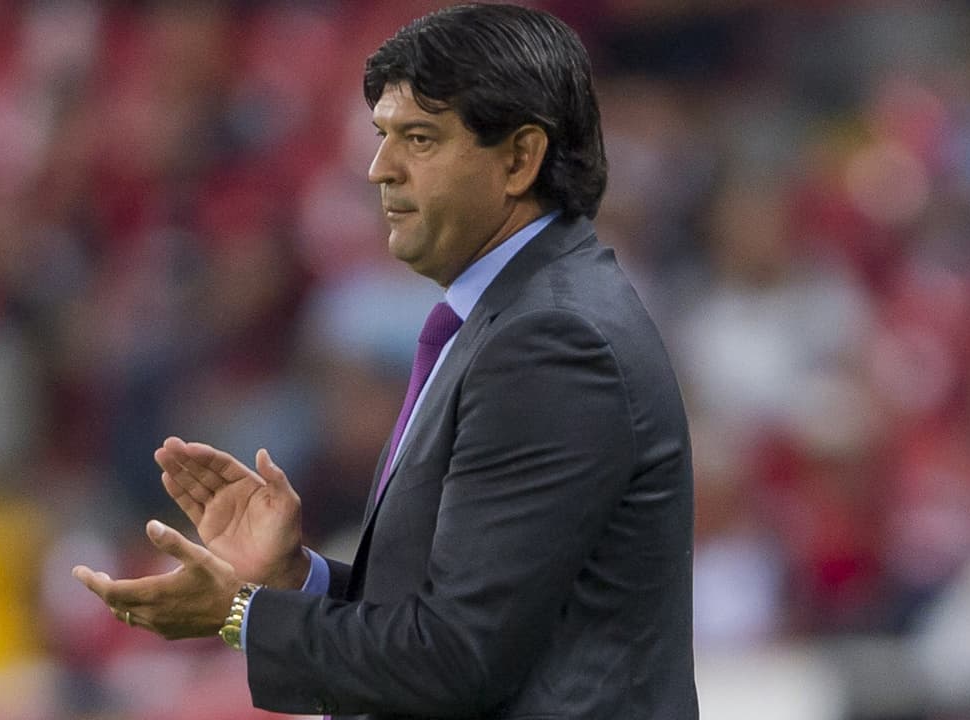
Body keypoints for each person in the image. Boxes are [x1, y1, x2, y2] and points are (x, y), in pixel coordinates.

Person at [74, 4, 698, 718]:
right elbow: (467, 623)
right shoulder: (518, 316)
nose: (379, 170)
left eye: (419, 139)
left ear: (520, 158)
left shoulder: (551, 340)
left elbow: (454, 659)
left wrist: (240, 613)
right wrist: (295, 579)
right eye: (382, 137)